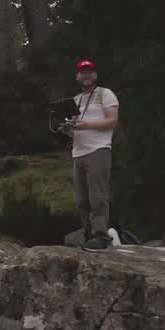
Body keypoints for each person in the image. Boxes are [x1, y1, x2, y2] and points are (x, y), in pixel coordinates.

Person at [64, 59, 120, 251]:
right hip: (78, 152)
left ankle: (101, 235)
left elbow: (112, 121)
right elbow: (73, 131)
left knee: (98, 196)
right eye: (82, 72)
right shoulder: (75, 100)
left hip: (99, 149)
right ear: (77, 77)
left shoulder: (105, 94)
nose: (86, 75)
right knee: (82, 199)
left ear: (94, 76)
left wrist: (88, 125)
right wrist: (67, 129)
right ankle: (89, 235)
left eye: (89, 72)